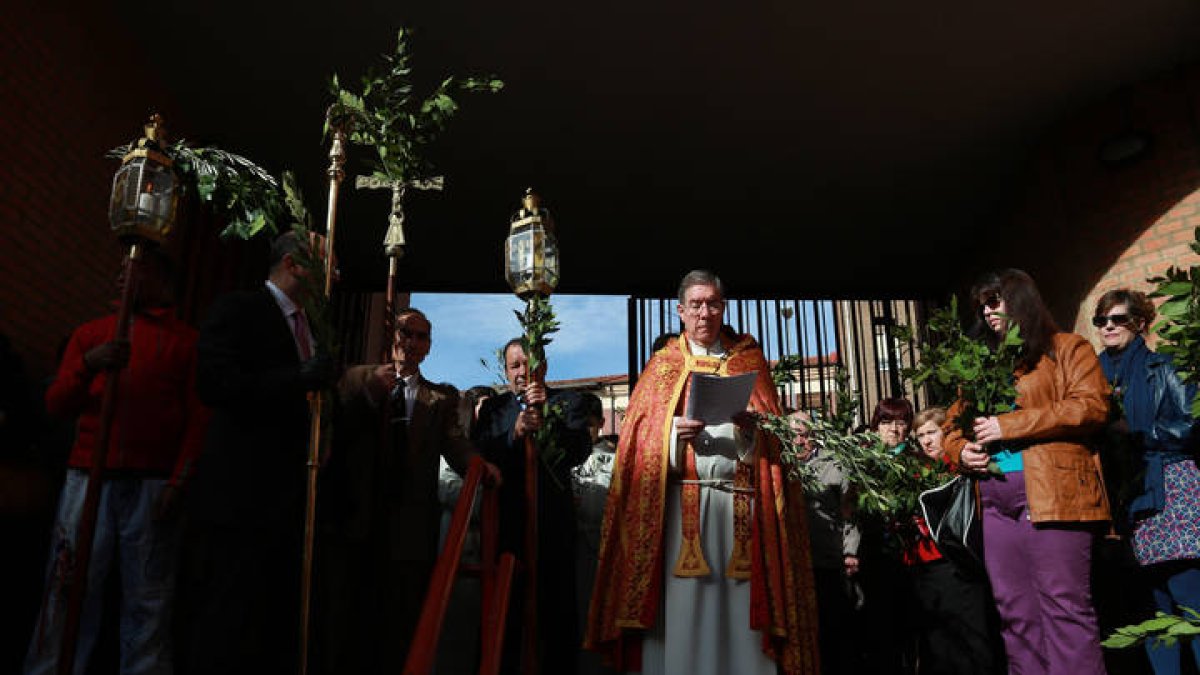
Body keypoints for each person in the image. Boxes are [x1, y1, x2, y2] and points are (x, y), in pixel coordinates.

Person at [585, 270, 819, 675]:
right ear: (680, 311)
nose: (704, 313)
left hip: (741, 511)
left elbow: (776, 449)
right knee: (684, 616)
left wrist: (752, 434)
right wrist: (670, 434)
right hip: (679, 512)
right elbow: (635, 448)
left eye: (712, 303)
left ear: (722, 307)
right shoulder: (662, 366)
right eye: (695, 304)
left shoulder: (750, 362)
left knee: (738, 618)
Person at [24, 249, 209, 675]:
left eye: (134, 270)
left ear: (159, 278)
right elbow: (55, 405)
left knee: (148, 596)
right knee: (68, 588)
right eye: (120, 270)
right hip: (87, 477)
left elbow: (197, 421)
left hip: (151, 484)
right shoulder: (92, 335)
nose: (121, 278)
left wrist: (178, 482)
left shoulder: (185, 342)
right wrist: (88, 366)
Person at [177, 232, 339, 675]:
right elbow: (214, 383)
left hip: (285, 508)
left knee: (268, 630)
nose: (336, 275)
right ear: (294, 265)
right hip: (240, 500)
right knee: (225, 623)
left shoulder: (312, 329)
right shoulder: (238, 309)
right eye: (328, 264)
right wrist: (295, 378)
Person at [944, 268, 1110, 675]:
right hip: (995, 501)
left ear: (1020, 300)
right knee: (1015, 615)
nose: (987, 311)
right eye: (982, 305)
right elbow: (950, 428)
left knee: (1064, 608)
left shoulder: (1067, 348)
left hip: (1054, 492)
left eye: (994, 300)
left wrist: (1010, 424)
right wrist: (961, 450)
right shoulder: (980, 366)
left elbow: (1091, 406)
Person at [317, 307, 500, 673]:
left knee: (400, 623)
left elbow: (455, 442)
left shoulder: (439, 398)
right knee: (347, 621)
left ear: (429, 347)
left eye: (422, 337)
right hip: (357, 521)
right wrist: (370, 393)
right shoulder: (355, 379)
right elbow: (333, 428)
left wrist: (480, 467)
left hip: (410, 529)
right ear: (392, 337)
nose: (412, 343)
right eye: (406, 333)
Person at [1094, 289, 1200, 675]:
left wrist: (1136, 433)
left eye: (1117, 319)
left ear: (1139, 323)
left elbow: (1191, 424)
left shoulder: (1164, 366)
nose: (1107, 326)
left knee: (1189, 599)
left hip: (1171, 488)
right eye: (1101, 320)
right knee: (1148, 610)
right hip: (1123, 500)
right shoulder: (1090, 377)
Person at [474, 337, 592, 674]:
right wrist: (514, 433)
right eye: (515, 366)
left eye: (529, 364)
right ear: (506, 371)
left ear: (543, 366)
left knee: (557, 617)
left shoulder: (568, 403)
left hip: (553, 523)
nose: (523, 372)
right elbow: (481, 452)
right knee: (506, 614)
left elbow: (579, 450)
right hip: (508, 523)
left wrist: (547, 421)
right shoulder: (494, 409)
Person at [788, 410, 859, 675]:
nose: (800, 442)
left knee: (833, 630)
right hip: (794, 562)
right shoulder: (782, 465)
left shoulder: (836, 464)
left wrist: (850, 550)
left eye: (805, 435)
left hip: (827, 561)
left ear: (815, 435)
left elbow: (849, 511)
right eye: (794, 436)